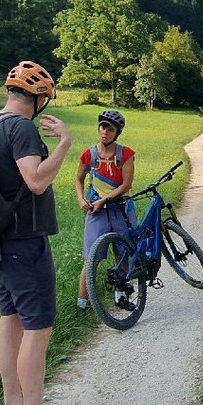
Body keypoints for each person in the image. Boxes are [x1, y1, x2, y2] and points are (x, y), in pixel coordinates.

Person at [0, 60, 88, 405]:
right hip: (23, 242)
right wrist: (64, 144)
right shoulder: (21, 128)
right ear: (40, 98)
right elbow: (37, 180)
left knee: (10, 321)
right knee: (37, 330)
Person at [75, 109, 136, 309]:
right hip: (96, 211)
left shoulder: (125, 155)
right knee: (91, 258)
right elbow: (79, 179)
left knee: (122, 253)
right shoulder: (89, 155)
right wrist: (80, 198)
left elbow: (126, 185)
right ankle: (82, 305)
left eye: (110, 129)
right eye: (102, 127)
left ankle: (120, 297)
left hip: (120, 209)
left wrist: (104, 200)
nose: (105, 132)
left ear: (117, 133)